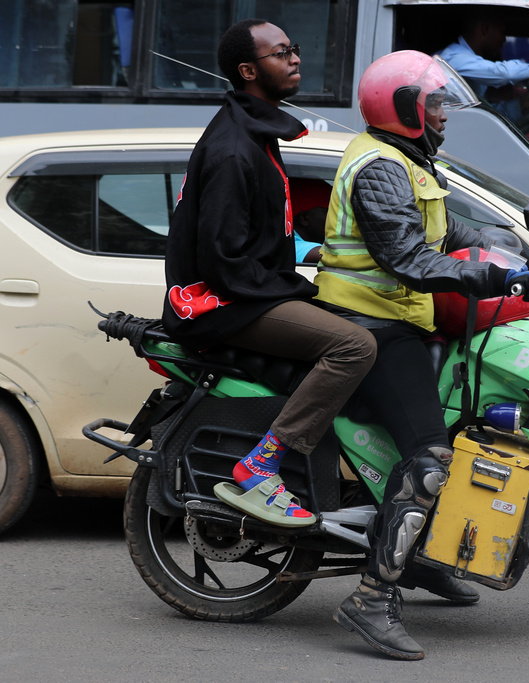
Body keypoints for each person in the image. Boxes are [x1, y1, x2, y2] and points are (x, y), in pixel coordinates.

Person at [317, 51, 529, 660]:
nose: (445, 115)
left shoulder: (408, 163)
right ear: (402, 109)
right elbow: (408, 258)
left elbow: (449, 232)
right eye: (434, 105)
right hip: (370, 325)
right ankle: (372, 596)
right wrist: (497, 281)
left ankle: (422, 557)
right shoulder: (378, 166)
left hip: (405, 320)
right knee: (431, 458)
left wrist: (521, 256)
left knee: (460, 421)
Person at [162, 19, 377, 527]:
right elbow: (224, 260)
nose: (295, 59)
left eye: (293, 48)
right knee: (354, 346)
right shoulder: (233, 149)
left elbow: (263, 232)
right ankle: (261, 466)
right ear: (248, 70)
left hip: (243, 295)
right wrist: (296, 288)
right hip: (219, 306)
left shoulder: (253, 133)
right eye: (281, 53)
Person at [290, 177, 332, 264]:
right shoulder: (291, 245)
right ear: (304, 218)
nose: (336, 218)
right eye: (329, 212)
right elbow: (335, 257)